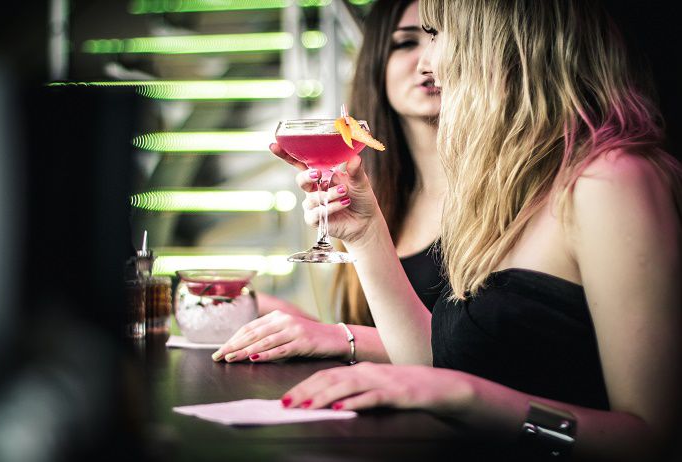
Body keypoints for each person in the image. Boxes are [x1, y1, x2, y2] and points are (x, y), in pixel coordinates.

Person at [279, 0, 682, 460]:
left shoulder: (611, 179)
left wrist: (467, 396)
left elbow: (654, 440)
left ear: (503, 40)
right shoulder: (501, 186)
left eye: (436, 33)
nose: (428, 61)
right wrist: (366, 233)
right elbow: (431, 368)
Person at [212, 0, 444, 364]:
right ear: (375, 63)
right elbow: (390, 335)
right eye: (405, 43)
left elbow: (479, 354)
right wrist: (297, 325)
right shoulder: (371, 192)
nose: (427, 61)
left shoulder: (505, 197)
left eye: (441, 39)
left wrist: (341, 336)